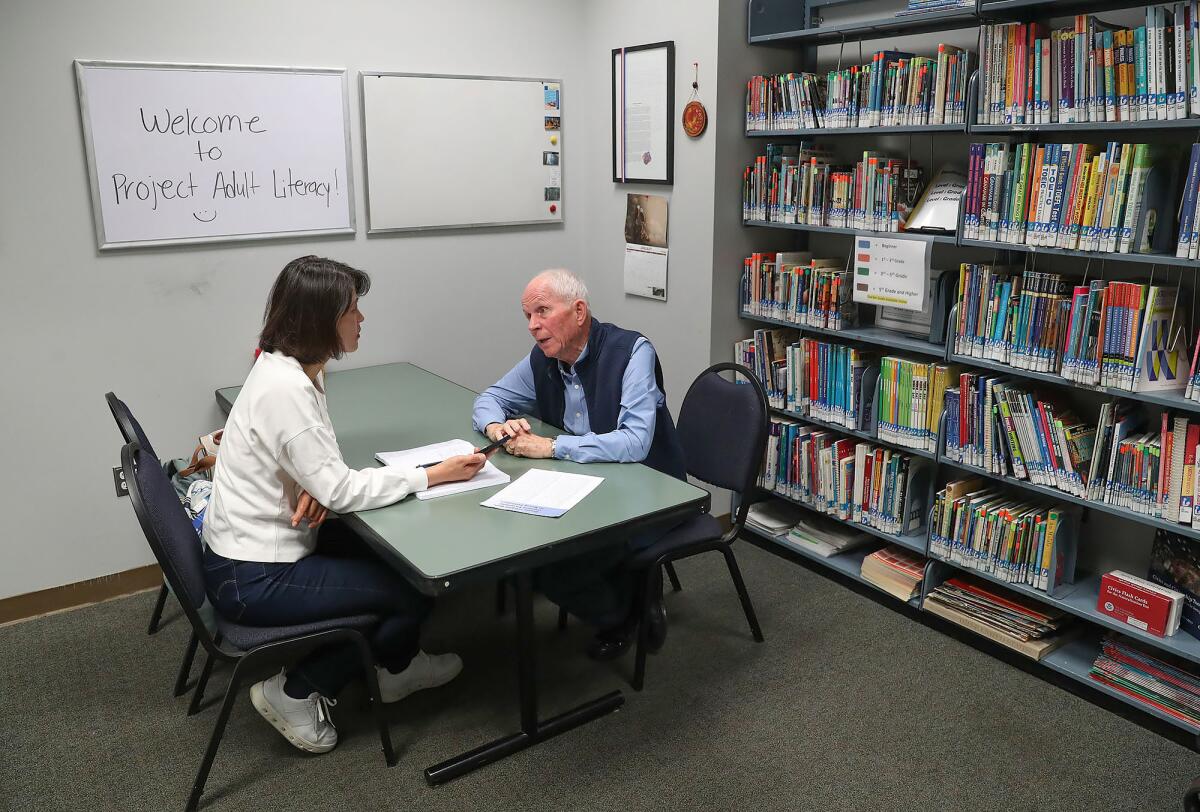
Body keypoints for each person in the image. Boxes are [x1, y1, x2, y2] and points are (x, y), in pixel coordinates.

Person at [203, 256, 490, 754]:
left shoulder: (290, 369)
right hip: (252, 576)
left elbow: (322, 468)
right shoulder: (288, 390)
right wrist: (430, 474)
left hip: (253, 549)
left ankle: (395, 665)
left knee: (402, 561)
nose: (362, 320)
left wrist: (315, 479)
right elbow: (341, 489)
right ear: (321, 319)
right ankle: (296, 690)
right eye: (352, 310)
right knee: (411, 589)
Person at [472, 269, 685, 660]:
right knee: (525, 556)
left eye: (542, 312)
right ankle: (627, 593)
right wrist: (496, 425)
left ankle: (627, 612)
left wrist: (552, 447)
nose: (534, 326)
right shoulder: (544, 357)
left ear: (579, 311)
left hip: (646, 490)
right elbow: (489, 398)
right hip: (583, 484)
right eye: (528, 317)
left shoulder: (633, 353)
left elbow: (636, 442)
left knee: (552, 571)